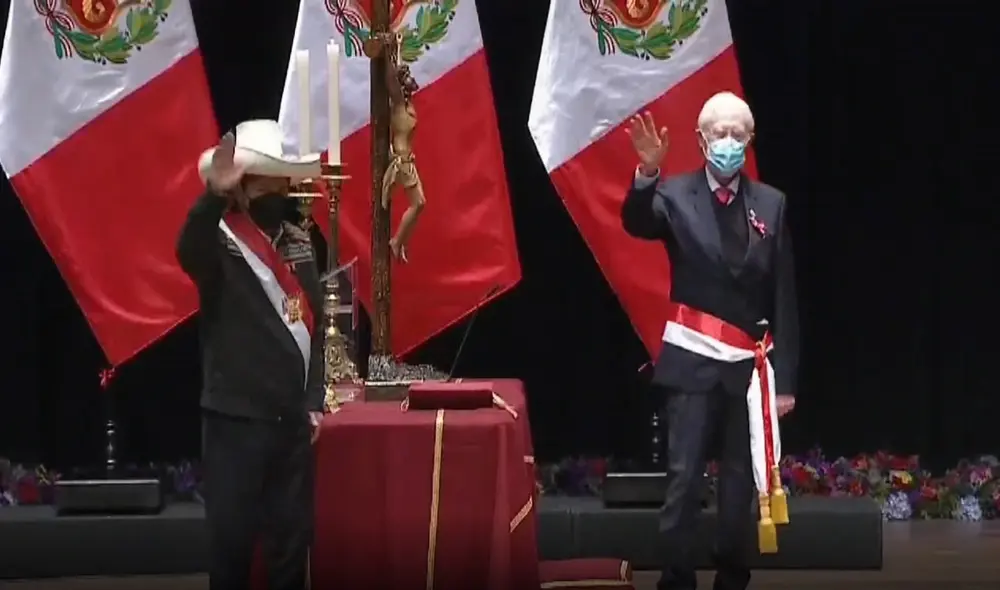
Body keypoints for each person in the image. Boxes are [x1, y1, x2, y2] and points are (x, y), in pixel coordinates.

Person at [621, 92, 799, 590]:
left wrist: (784, 381)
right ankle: (676, 578)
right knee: (684, 480)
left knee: (739, 488)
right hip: (693, 362)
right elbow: (636, 222)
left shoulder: (771, 203)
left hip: (747, 369)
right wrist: (647, 176)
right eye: (718, 133)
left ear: (750, 140)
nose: (727, 142)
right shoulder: (674, 195)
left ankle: (732, 577)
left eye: (736, 133)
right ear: (700, 140)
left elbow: (784, 296)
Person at [176, 120, 326, 590]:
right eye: (269, 180)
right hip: (236, 422)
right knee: (232, 549)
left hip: (291, 425)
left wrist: (315, 398)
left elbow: (314, 327)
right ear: (241, 188)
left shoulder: (300, 242)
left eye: (283, 179)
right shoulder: (218, 242)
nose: (281, 190)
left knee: (290, 548)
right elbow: (187, 251)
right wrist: (211, 200)